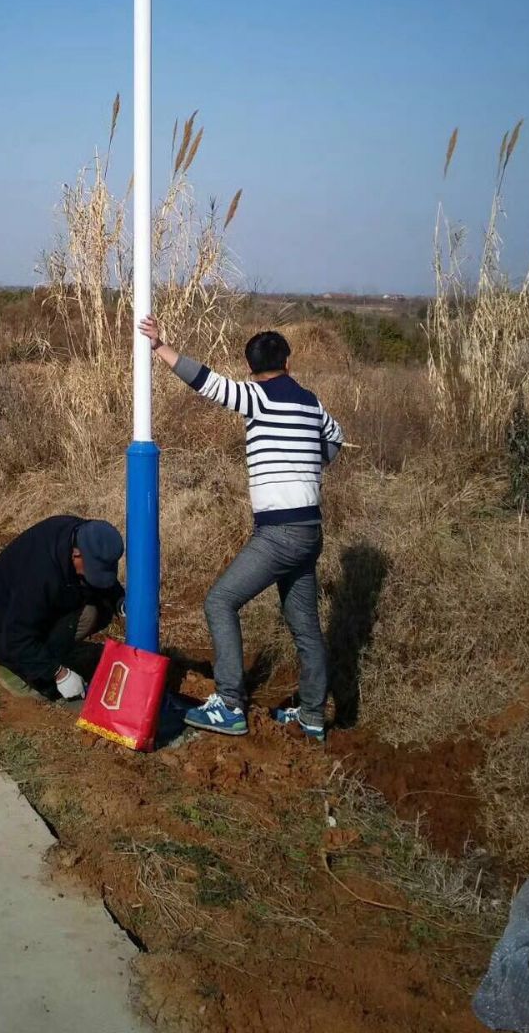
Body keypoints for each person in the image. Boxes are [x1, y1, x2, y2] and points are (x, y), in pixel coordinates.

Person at [139, 316, 343, 741]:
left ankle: (229, 704)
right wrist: (310, 461)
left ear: (251, 367)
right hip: (310, 531)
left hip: (279, 534)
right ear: (289, 363)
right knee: (303, 623)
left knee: (219, 602)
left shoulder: (257, 397)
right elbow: (333, 441)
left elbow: (206, 382)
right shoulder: (312, 403)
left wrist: (160, 347)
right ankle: (312, 715)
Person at [0, 514, 124, 701]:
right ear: (76, 554)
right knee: (85, 615)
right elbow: (15, 637)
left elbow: (103, 574)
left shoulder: (83, 536)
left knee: (98, 609)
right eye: (93, 570)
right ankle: (12, 673)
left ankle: (46, 654)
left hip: (28, 611)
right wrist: (59, 673)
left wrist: (120, 600)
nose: (96, 576)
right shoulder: (38, 576)